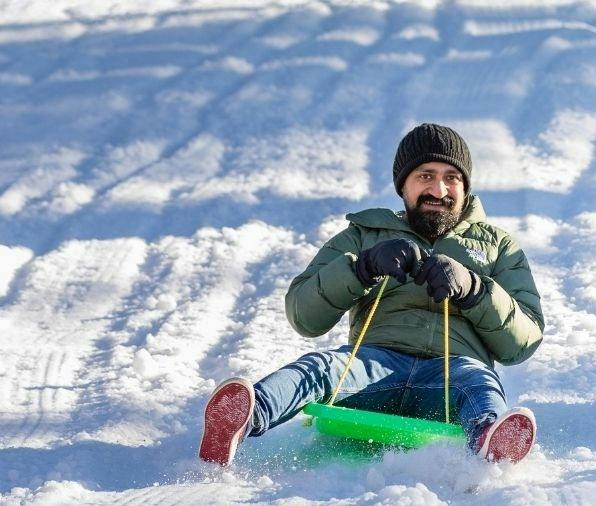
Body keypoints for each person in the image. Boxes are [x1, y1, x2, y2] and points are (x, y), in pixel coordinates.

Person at [197, 123, 545, 466]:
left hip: (453, 375)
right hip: (371, 366)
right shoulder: (364, 234)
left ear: (465, 186)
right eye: (425, 176)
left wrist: (474, 289)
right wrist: (360, 269)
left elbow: (522, 342)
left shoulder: (498, 247)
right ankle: (243, 417)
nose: (439, 189)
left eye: (451, 177)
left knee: (481, 382)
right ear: (403, 186)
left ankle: (489, 441)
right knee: (320, 367)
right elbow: (303, 315)